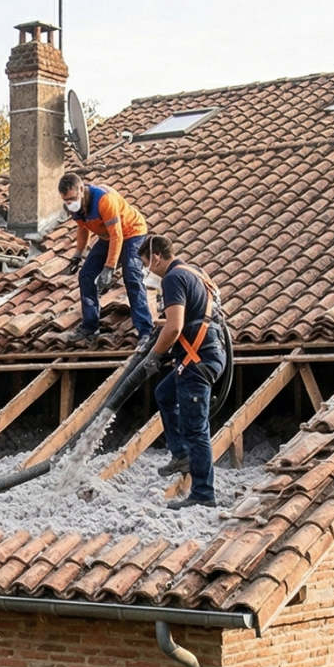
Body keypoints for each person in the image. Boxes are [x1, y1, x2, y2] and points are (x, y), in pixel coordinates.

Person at [135, 235, 226, 510]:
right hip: (208, 353)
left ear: (156, 258)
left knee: (195, 428)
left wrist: (154, 356)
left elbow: (174, 327)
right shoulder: (195, 272)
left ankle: (203, 493)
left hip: (196, 359)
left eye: (145, 264)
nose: (147, 271)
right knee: (164, 394)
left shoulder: (172, 279)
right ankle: (181, 454)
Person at [59, 172, 152, 343]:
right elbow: (83, 229)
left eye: (72, 198)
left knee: (131, 276)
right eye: (66, 201)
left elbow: (117, 236)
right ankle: (90, 327)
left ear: (81, 189)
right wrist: (77, 256)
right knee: (86, 276)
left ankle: (145, 331)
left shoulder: (104, 200)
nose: (70, 204)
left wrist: (109, 268)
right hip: (107, 238)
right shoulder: (75, 208)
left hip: (132, 233)